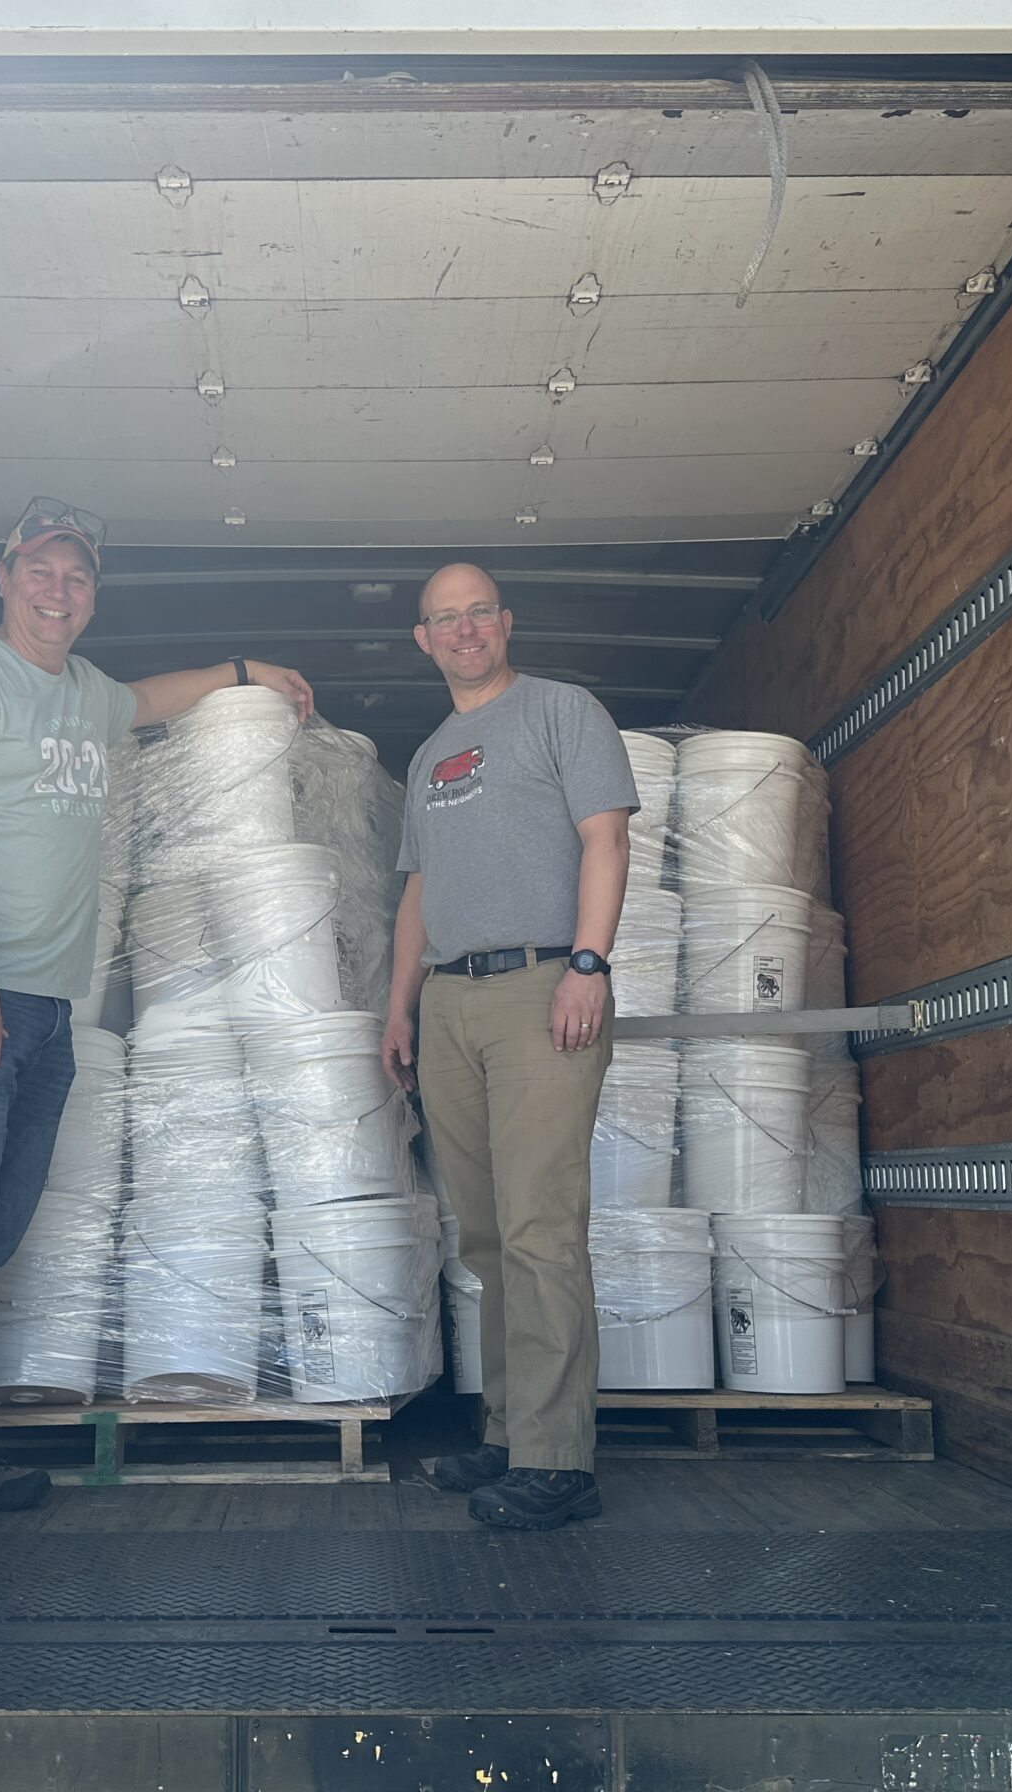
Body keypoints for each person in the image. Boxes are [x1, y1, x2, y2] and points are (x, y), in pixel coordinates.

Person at [0, 496, 313, 1539]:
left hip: (38, 1006)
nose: (59, 591)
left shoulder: (83, 694)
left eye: (78, 578)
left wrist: (244, 673)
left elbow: (150, 699)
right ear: (5, 575)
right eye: (42, 571)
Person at [380, 562, 636, 1530]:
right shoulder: (432, 753)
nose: (464, 629)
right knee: (486, 1237)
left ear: (505, 621)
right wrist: (398, 1006)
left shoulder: (562, 711)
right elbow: (415, 891)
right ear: (424, 639)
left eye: (478, 611)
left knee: (540, 1227)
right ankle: (506, 1433)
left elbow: (605, 839)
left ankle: (559, 1459)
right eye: (445, 618)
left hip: (541, 986)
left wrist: (587, 963)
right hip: (449, 1001)